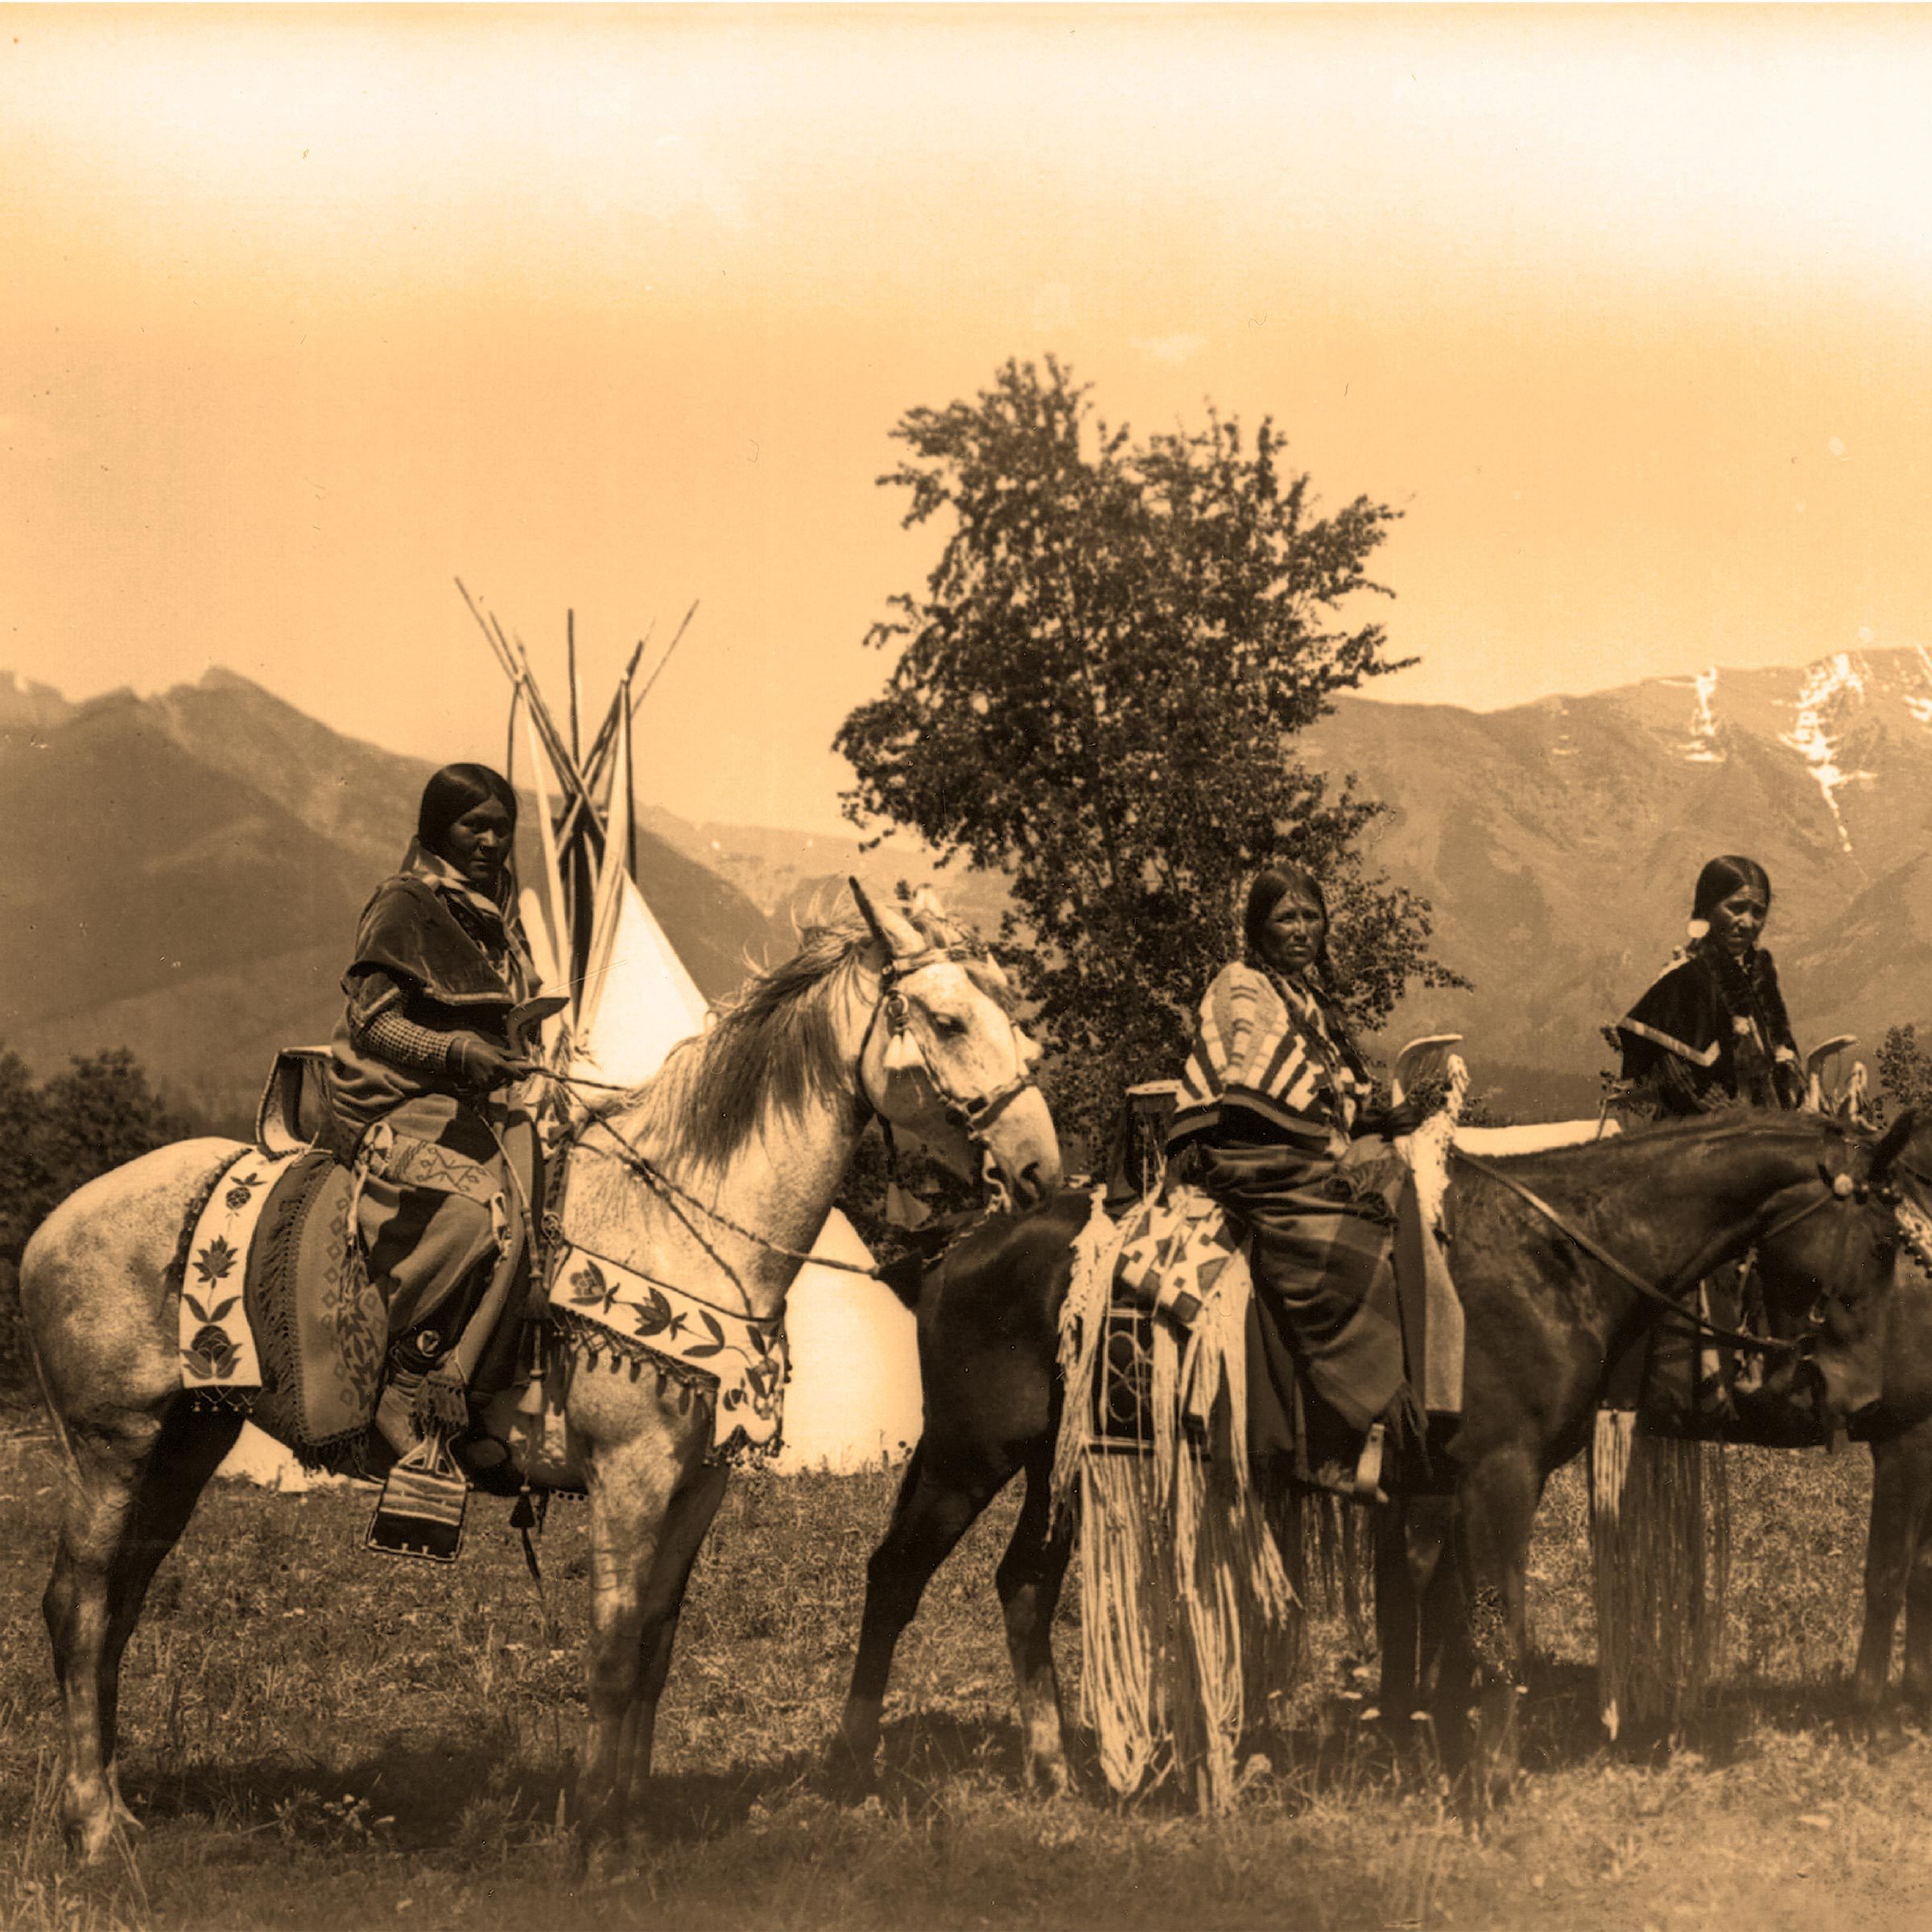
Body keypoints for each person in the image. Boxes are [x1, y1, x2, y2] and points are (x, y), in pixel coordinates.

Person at [1166, 864, 1423, 1496]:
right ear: (1258, 929)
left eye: (1312, 916)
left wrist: (1380, 1117)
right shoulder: (1243, 987)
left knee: (1410, 1201)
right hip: (1253, 1158)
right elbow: (1251, 1092)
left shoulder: (1310, 1001)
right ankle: (1333, 1436)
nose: (1302, 930)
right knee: (1344, 1251)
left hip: (1300, 1154)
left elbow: (1330, 1100)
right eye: (1286, 917)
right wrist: (1334, 1147)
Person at [324, 762, 543, 1468]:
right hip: (396, 1098)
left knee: (546, 1196)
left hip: (476, 1099)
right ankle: (401, 1376)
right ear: (434, 827)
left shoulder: (494, 913)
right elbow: (372, 1026)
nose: (489, 841)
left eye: (501, 829)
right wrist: (457, 1054)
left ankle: (479, 1394)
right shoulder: (404, 901)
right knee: (478, 1212)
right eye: (472, 826)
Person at [1615, 854, 1802, 1117]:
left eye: (1758, 912)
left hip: (1760, 1134)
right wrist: (1753, 1130)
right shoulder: (1684, 981)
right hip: (1703, 1138)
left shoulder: (1756, 983)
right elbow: (1686, 1088)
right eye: (1736, 908)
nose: (1748, 923)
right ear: (1707, 909)